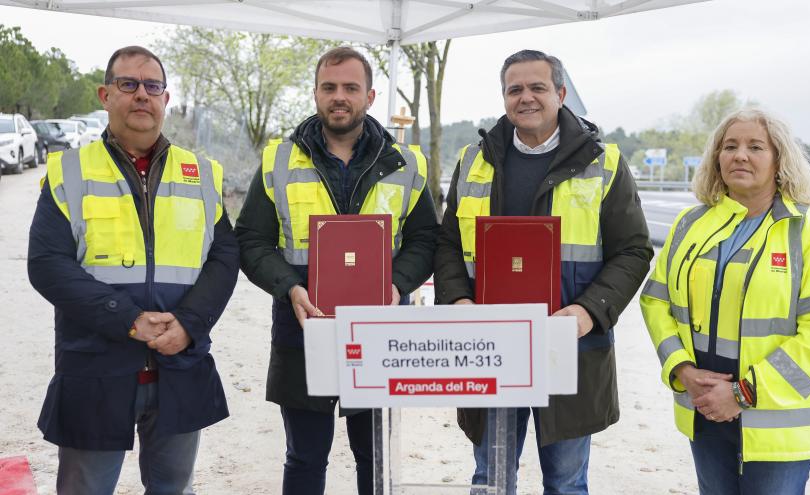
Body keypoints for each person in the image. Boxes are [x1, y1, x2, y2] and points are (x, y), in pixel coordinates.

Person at [434, 49, 653, 494]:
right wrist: (458, 300)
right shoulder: (473, 160)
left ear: (560, 92)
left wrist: (588, 312)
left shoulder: (604, 163)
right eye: (515, 89)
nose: (526, 98)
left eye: (537, 87)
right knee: (489, 479)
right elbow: (448, 246)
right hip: (490, 346)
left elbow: (632, 251)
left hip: (569, 346)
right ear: (504, 98)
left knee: (566, 482)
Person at [28, 45, 239, 494]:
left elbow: (224, 258)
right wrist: (129, 319)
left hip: (180, 365)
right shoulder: (70, 171)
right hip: (96, 369)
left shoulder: (202, 174)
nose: (142, 94)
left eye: (153, 86)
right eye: (128, 84)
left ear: (166, 98)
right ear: (106, 95)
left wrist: (189, 324)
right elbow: (47, 264)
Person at [234, 46, 437, 494]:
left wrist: (397, 284)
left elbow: (426, 240)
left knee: (374, 457)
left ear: (370, 94)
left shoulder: (407, 164)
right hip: (302, 326)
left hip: (379, 332)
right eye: (329, 87)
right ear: (315, 94)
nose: (339, 96)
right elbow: (250, 240)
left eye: (350, 87)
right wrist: (289, 287)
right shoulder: (280, 161)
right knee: (304, 457)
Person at [640, 108, 810, 495]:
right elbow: (656, 302)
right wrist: (681, 369)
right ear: (716, 158)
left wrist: (743, 394)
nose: (740, 155)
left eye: (755, 147)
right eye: (730, 146)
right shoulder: (691, 224)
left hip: (778, 419)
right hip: (705, 406)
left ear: (779, 161)